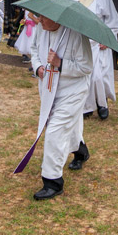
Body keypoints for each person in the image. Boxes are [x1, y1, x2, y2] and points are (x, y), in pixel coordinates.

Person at [28, 12, 94, 200]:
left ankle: (53, 181)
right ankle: (81, 151)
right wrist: (38, 66)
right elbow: (34, 49)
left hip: (72, 91)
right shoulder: (42, 28)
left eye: (43, 18)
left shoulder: (76, 35)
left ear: (57, 19)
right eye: (38, 17)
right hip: (48, 88)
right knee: (67, 127)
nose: (39, 21)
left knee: (55, 131)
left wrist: (60, 63)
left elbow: (86, 67)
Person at [62, 0, 118, 128]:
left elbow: (112, 20)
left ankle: (102, 104)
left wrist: (106, 39)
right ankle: (86, 107)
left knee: (97, 77)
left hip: (96, 43)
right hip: (76, 43)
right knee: (81, 77)